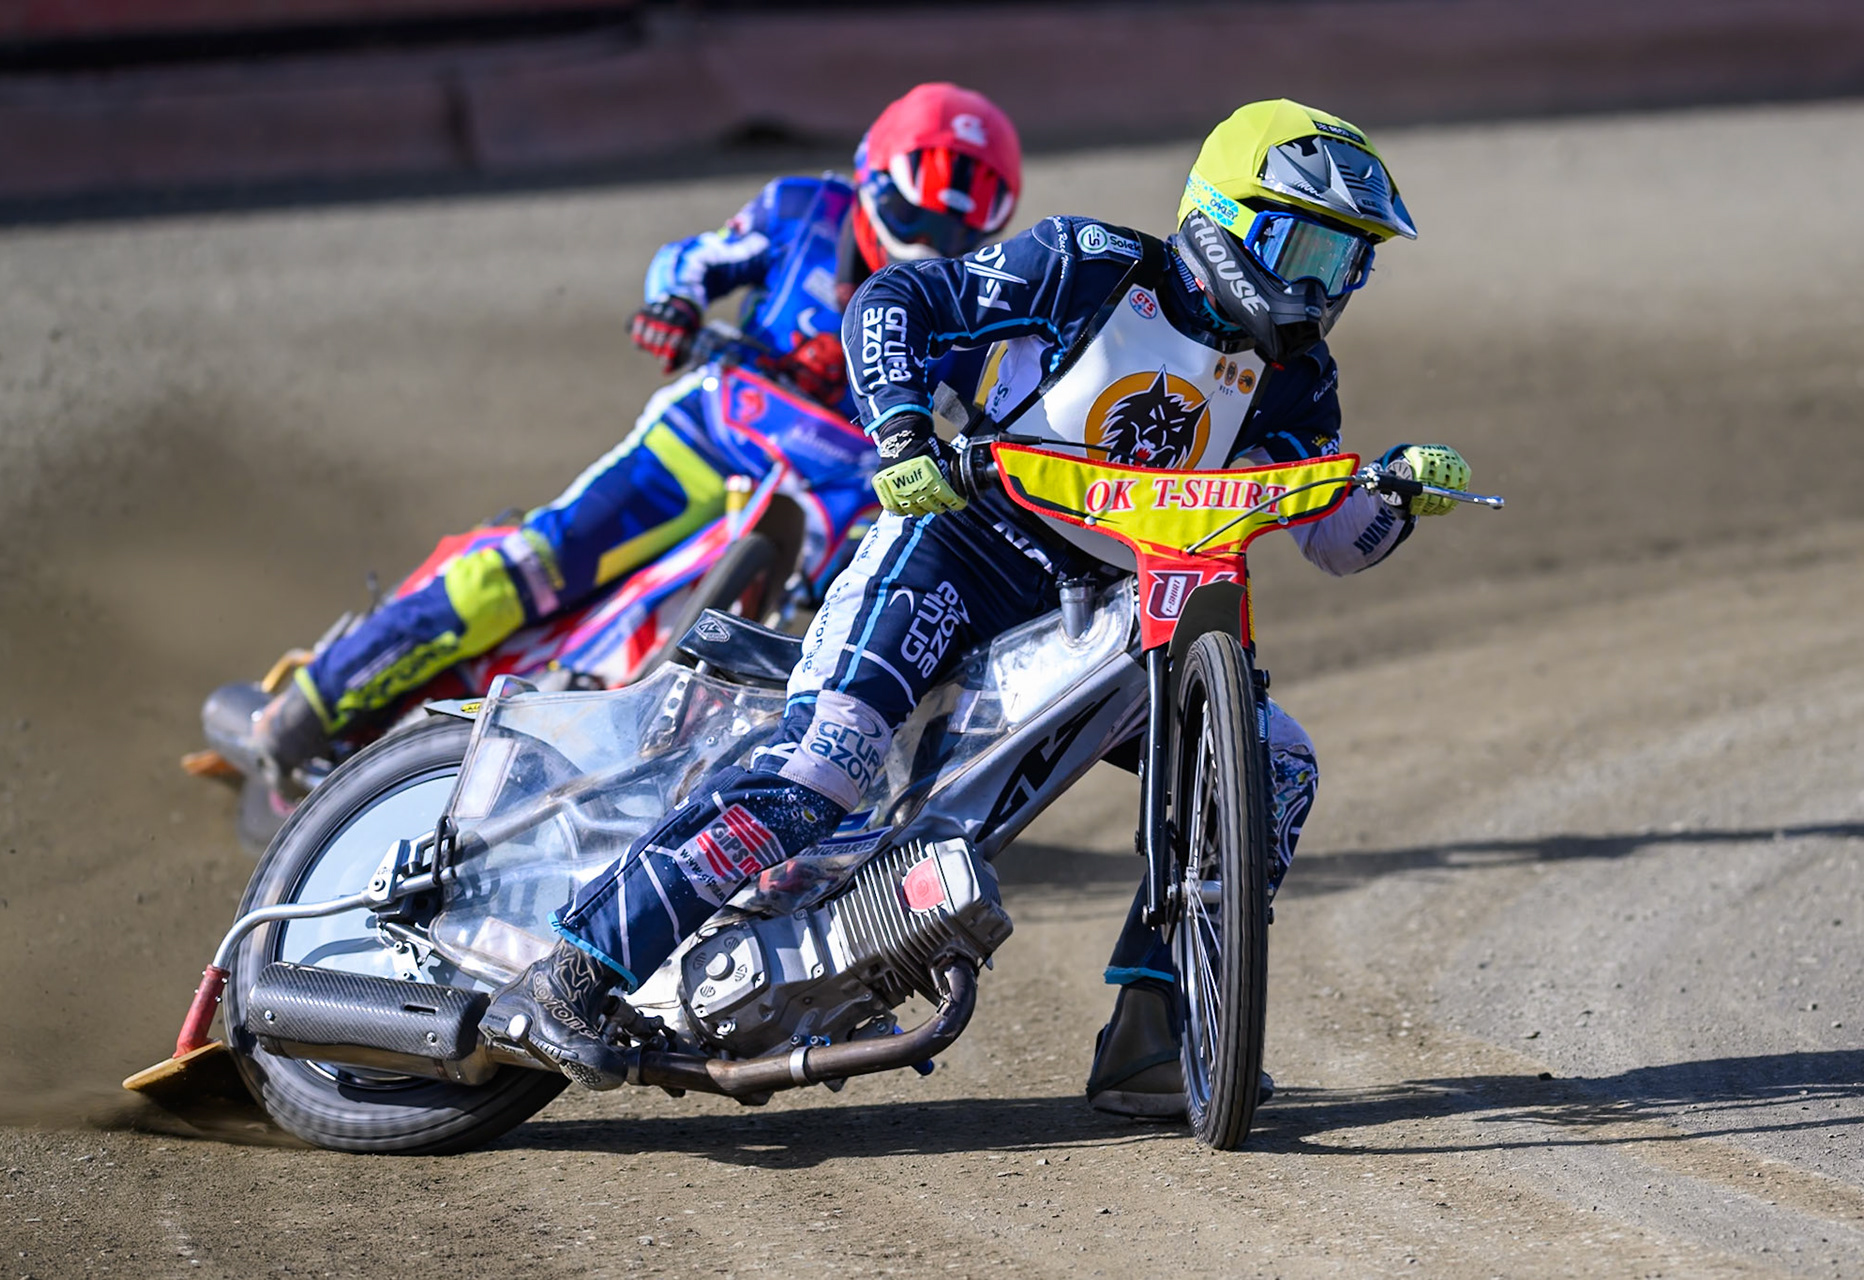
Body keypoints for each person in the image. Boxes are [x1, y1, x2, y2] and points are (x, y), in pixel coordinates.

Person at [480, 100, 1476, 1114]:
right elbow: (893, 303)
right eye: (1306, 247)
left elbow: (1336, 540)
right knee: (825, 762)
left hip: (1107, 605)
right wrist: (902, 429)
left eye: (1347, 262)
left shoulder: (1296, 373)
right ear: (1230, 217)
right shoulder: (1091, 264)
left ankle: (1155, 1026)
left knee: (1276, 762)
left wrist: (1391, 493)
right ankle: (568, 975)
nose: (1321, 287)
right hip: (958, 547)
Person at [246, 82, 1023, 789]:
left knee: (865, 633)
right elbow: (690, 261)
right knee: (533, 563)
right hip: (710, 433)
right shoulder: (801, 210)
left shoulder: (972, 307)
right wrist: (674, 307)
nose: (932, 240)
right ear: (872, 177)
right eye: (918, 213)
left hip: (841, 493)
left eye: (957, 228)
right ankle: (312, 707)